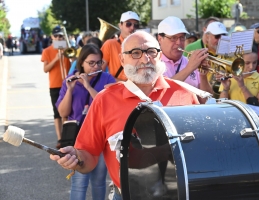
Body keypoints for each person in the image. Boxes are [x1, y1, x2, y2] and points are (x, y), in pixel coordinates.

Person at [50, 30, 204, 200]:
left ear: (159, 56)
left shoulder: (185, 94)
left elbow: (198, 148)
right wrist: (76, 158)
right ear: (122, 59)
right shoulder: (104, 100)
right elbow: (89, 155)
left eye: (151, 52)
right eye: (135, 53)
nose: (145, 59)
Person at [56, 44, 115, 200]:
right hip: (78, 138)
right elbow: (63, 112)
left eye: (99, 62)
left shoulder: (107, 79)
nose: (95, 66)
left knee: (99, 181)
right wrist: (69, 89)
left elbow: (109, 107)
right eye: (91, 63)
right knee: (79, 182)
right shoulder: (69, 81)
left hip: (101, 137)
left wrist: (88, 86)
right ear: (81, 62)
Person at [157, 16, 213, 97]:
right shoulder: (153, 63)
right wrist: (189, 68)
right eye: (173, 38)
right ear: (160, 39)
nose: (179, 42)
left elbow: (207, 101)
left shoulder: (191, 63)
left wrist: (203, 75)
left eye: (182, 37)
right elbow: (162, 93)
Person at [41, 26, 71, 149]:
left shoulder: (68, 49)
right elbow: (45, 69)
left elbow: (75, 63)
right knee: (57, 114)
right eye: (56, 36)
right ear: (52, 37)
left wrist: (68, 54)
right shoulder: (47, 51)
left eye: (61, 36)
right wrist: (56, 59)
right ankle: (60, 138)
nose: (59, 38)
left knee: (67, 113)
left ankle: (66, 137)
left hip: (68, 84)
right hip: (55, 85)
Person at [100, 11, 140, 81]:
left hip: (137, 89)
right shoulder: (110, 44)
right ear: (120, 25)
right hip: (116, 88)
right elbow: (99, 72)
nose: (132, 27)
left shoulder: (141, 45)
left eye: (136, 25)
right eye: (128, 24)